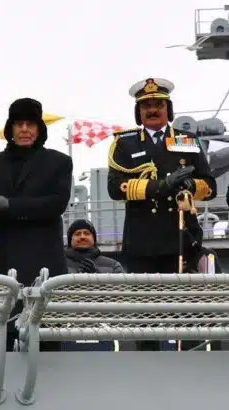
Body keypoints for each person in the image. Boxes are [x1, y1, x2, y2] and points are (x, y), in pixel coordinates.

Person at [107, 78, 217, 352]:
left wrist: (191, 185)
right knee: (146, 314)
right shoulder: (125, 143)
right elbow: (115, 188)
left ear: (168, 109)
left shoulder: (186, 141)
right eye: (146, 106)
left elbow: (210, 186)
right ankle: (148, 365)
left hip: (180, 237)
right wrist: (161, 186)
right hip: (143, 240)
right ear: (139, 112)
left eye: (158, 104)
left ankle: (188, 362)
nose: (153, 110)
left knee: (186, 312)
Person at [0, 97, 73, 351]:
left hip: (44, 261)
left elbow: (56, 204)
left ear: (39, 128)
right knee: (4, 333)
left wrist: (11, 206)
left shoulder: (59, 162)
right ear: (11, 129)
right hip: (5, 261)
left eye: (30, 124)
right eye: (19, 124)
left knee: (45, 334)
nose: (25, 130)